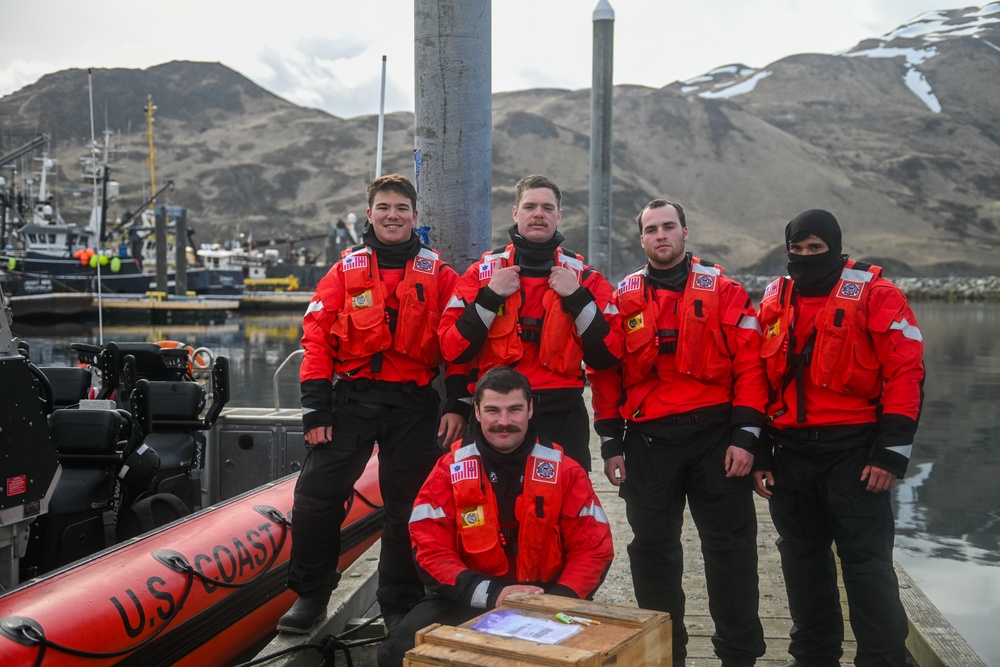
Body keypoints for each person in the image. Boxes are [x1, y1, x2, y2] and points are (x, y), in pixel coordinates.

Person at [278, 174, 469, 634]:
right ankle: (312, 594)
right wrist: (315, 409)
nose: (392, 216)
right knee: (314, 498)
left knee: (408, 507)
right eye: (384, 207)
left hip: (414, 404)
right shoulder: (343, 272)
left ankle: (398, 601)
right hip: (352, 401)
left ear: (415, 217)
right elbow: (317, 339)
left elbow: (458, 342)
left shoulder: (440, 276)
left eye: (402, 208)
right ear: (369, 215)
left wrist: (457, 403)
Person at [589, 199, 767, 667]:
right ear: (642, 239)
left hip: (716, 441)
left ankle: (740, 657)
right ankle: (665, 656)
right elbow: (604, 376)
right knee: (652, 554)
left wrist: (746, 437)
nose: (661, 235)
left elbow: (751, 365)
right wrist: (610, 443)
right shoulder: (621, 298)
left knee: (731, 554)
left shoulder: (725, 290)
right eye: (651, 229)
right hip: (647, 444)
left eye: (669, 226)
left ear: (686, 233)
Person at [752, 209, 925, 667]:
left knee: (867, 568)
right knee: (802, 565)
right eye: (798, 249)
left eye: (816, 248)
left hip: (856, 456)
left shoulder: (877, 295)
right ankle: (812, 659)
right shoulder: (774, 297)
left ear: (836, 247)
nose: (806, 257)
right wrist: (760, 451)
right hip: (790, 456)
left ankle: (884, 660)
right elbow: (757, 378)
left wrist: (891, 455)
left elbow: (907, 374)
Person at [377, 366, 615, 666]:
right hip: (468, 598)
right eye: (493, 410)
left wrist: (556, 600)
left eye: (514, 409)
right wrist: (492, 595)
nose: (504, 422)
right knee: (397, 649)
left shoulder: (566, 471)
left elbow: (593, 550)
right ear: (476, 411)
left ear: (530, 410)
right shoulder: (447, 470)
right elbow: (430, 549)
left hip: (550, 600)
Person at [439, 174, 619, 471]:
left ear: (559, 216)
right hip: (496, 414)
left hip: (562, 415)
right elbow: (452, 350)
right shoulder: (481, 275)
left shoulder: (586, 280)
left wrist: (577, 297)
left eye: (547, 208)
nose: (539, 214)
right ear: (515, 213)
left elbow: (609, 357)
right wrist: (490, 297)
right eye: (530, 206)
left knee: (566, 510)